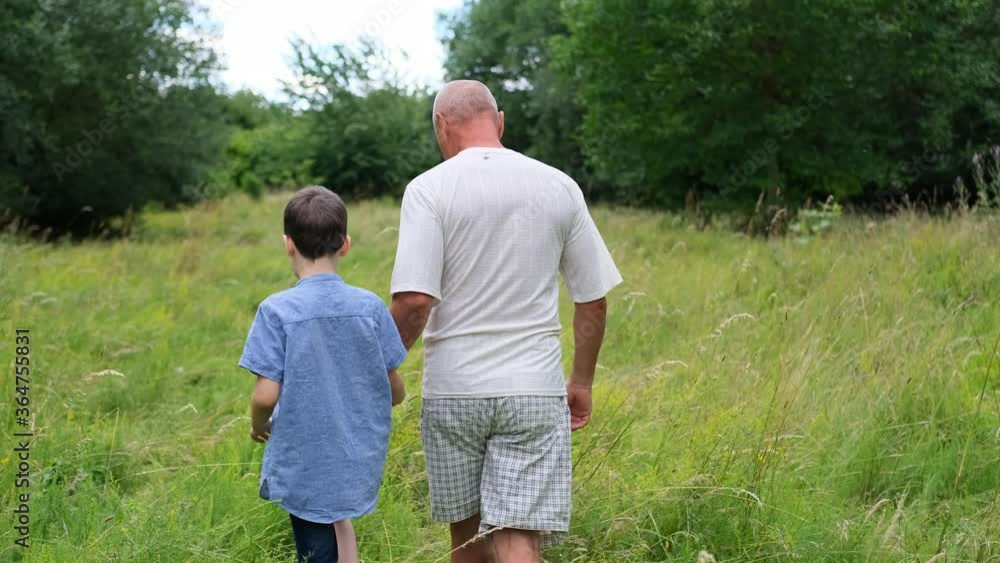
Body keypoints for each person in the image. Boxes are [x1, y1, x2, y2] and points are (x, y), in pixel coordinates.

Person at [390, 80, 622, 563]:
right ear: (500, 120)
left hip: (454, 391)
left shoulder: (428, 189)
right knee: (519, 539)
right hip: (533, 391)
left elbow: (414, 300)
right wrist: (580, 381)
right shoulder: (558, 185)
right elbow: (592, 299)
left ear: (440, 125)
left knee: (469, 541)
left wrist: (378, 365)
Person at [239, 186, 408, 563]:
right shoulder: (370, 307)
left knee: (316, 543)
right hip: (354, 456)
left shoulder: (276, 311)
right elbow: (395, 390)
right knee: (337, 526)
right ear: (345, 245)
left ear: (288, 244)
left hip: (307, 460)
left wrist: (259, 424)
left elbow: (266, 395)